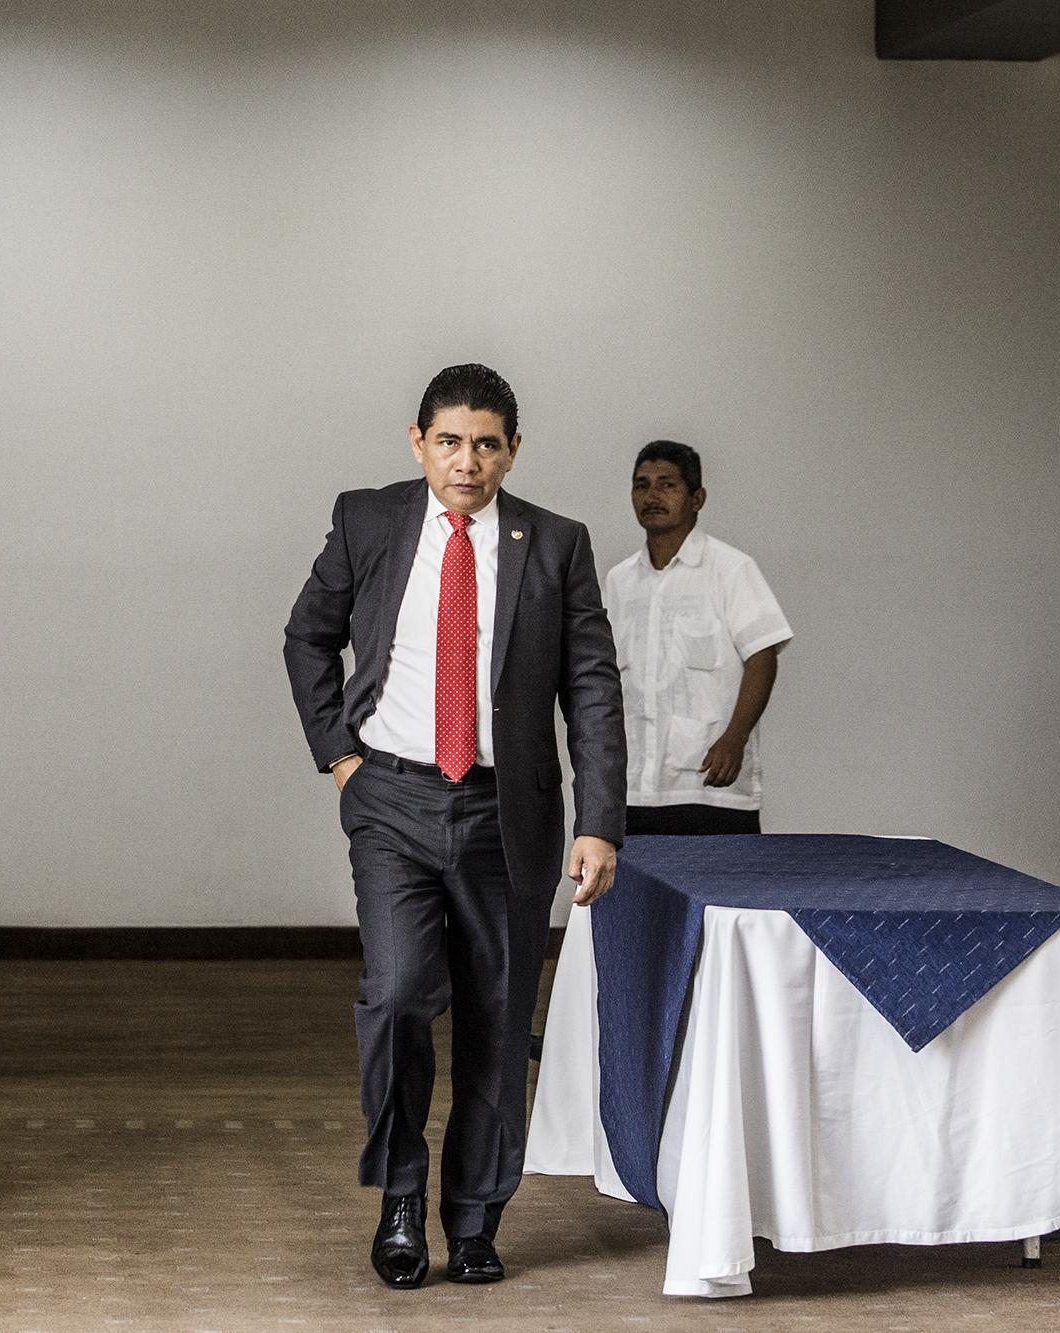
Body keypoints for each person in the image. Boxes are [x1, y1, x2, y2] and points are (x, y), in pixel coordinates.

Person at [284, 363, 625, 1289]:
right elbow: (307, 634)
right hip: (391, 798)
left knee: (498, 1016)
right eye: (448, 441)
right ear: (416, 442)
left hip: (505, 811)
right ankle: (400, 1193)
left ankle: (474, 1218)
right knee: (396, 994)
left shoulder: (555, 542)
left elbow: (591, 686)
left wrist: (601, 820)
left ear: (512, 449)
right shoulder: (368, 518)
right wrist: (339, 755)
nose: (465, 461)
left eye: (485, 443)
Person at [606, 440, 791, 835]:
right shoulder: (619, 581)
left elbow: (763, 655)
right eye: (641, 485)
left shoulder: (731, 569)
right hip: (634, 788)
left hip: (709, 786)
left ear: (697, 498)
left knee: (722, 896)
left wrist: (735, 738)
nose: (651, 495)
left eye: (667, 484)